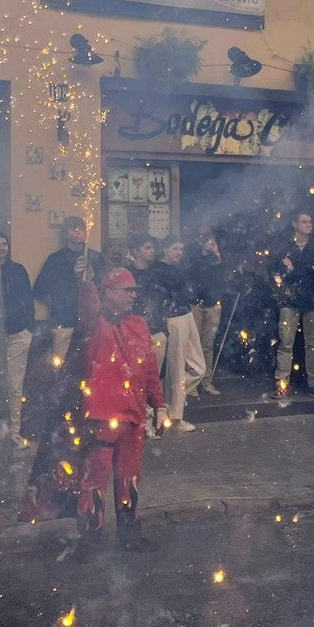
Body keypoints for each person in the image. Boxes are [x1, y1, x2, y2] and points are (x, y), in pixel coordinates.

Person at [74, 266, 169, 557]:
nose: (133, 295)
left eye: (134, 290)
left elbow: (150, 368)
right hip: (102, 416)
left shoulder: (139, 324)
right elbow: (87, 307)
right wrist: (85, 282)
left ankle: (130, 536)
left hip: (134, 416)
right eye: (126, 290)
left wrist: (160, 406)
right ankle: (90, 540)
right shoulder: (95, 323)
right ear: (108, 293)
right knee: (94, 481)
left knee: (129, 479)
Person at [270, 211, 314, 399]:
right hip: (290, 300)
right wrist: (304, 272)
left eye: (310, 221)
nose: (309, 225)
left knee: (312, 344)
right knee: (285, 343)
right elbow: (278, 274)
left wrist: (293, 269)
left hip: (312, 300)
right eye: (304, 222)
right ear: (294, 224)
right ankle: (281, 385)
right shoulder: (284, 248)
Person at [32, 216, 107, 361]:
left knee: (91, 363)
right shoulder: (55, 259)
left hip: (91, 321)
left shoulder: (95, 257)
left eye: (82, 229)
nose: (79, 232)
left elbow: (105, 287)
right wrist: (58, 304)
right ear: (65, 234)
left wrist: (90, 277)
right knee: (60, 365)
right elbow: (40, 290)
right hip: (63, 322)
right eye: (74, 229)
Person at [157, 236, 204, 433]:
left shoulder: (178, 269)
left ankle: (168, 400)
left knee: (198, 367)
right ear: (165, 250)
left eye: (181, 249)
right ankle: (175, 416)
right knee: (176, 367)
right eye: (175, 248)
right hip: (173, 318)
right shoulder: (159, 271)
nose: (179, 253)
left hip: (186, 314)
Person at [126, 234, 168, 436]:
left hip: (156, 329)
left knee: (153, 379)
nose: (152, 251)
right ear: (135, 251)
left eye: (153, 248)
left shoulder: (157, 272)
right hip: (135, 333)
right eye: (147, 247)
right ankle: (142, 421)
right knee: (137, 379)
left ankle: (151, 419)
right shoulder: (128, 274)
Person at [0, 232, 34, 450]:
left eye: (5, 243)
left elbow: (27, 299)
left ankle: (13, 433)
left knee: (14, 387)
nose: (2, 247)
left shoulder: (17, 270)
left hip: (18, 333)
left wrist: (28, 327)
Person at [188, 228, 225, 396]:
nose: (208, 242)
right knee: (192, 344)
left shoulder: (217, 257)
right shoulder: (191, 252)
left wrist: (216, 254)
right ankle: (191, 383)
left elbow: (223, 275)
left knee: (208, 345)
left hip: (212, 304)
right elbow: (193, 272)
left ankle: (206, 381)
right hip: (195, 303)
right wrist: (202, 253)